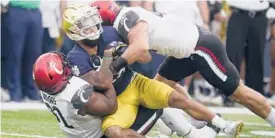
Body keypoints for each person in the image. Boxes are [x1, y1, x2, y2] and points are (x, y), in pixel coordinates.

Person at [74, 1, 275, 128]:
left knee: (237, 92)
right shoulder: (125, 16)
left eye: (94, 20)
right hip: (183, 51)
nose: (94, 26)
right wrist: (124, 51)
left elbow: (142, 48)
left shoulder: (124, 19)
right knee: (159, 88)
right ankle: (196, 120)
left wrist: (116, 65)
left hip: (200, 48)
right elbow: (146, 57)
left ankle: (273, 117)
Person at [67, 25, 220, 138]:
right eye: (85, 27)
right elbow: (103, 83)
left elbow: (145, 57)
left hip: (134, 83)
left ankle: (216, 125)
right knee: (113, 133)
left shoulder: (109, 33)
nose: (92, 29)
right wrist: (109, 57)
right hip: (116, 103)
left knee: (173, 97)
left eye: (92, 24)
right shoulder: (76, 57)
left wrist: (128, 53)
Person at [34, 52, 219, 138]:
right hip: (100, 135)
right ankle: (195, 134)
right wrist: (106, 76)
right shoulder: (76, 92)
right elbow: (110, 105)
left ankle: (186, 129)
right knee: (154, 100)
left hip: (77, 134)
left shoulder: (47, 90)